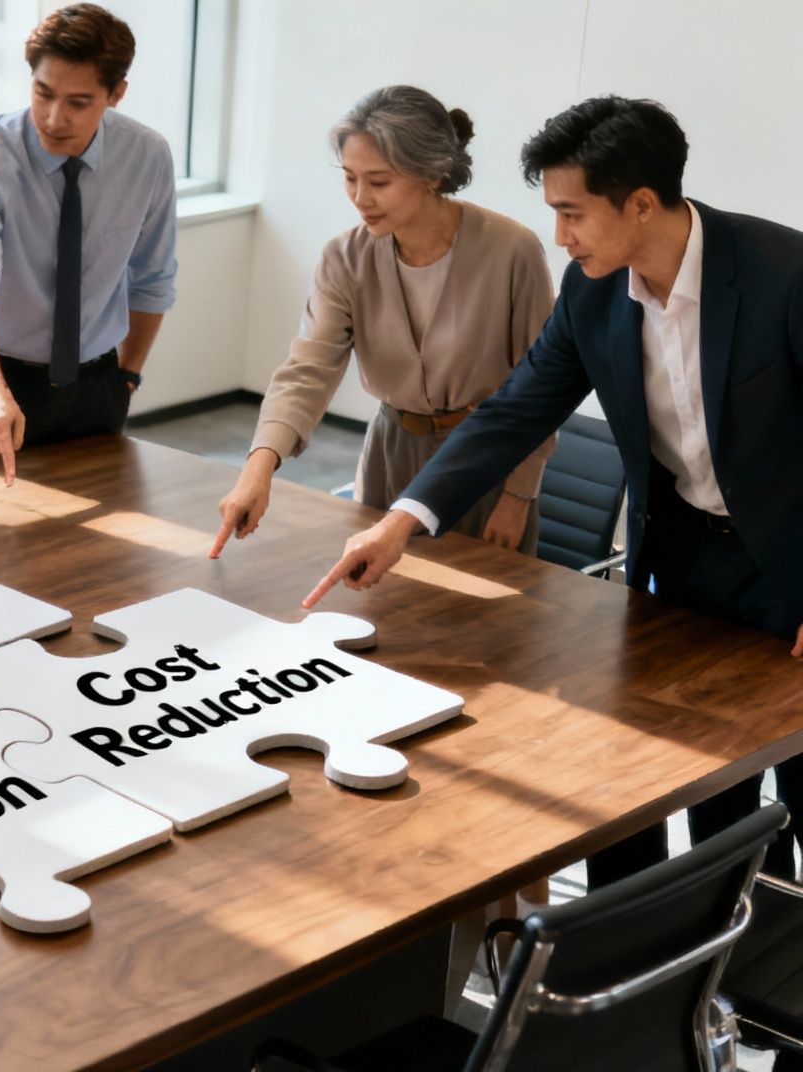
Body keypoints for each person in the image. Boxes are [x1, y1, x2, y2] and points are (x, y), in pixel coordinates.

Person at [305, 96, 803, 886]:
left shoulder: (785, 273)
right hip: (684, 570)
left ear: (641, 203)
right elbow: (514, 412)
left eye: (573, 214)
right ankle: (716, 979)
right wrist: (404, 519)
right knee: (716, 802)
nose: (560, 237)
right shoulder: (593, 290)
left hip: (793, 566)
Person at [211, 86, 555, 558]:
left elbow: (541, 387)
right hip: (388, 455)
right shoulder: (344, 257)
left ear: (430, 174)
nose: (359, 197)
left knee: (482, 620)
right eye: (349, 178)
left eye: (379, 181)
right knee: (379, 607)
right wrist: (259, 466)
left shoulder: (512, 250)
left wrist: (517, 496)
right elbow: (308, 368)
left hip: (483, 461)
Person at [0, 2, 178, 486]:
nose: (53, 117)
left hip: (96, 387)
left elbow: (153, 279)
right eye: (42, 93)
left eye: (78, 102)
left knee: (101, 553)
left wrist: (125, 380)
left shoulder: (146, 156)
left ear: (116, 94)